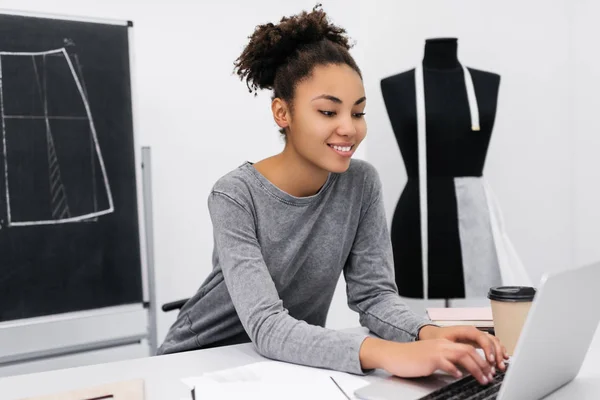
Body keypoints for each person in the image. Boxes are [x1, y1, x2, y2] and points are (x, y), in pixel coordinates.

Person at [157, 5, 507, 385]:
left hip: (288, 366)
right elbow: (266, 325)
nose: (349, 129)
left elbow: (374, 296)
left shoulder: (361, 183)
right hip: (198, 363)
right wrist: (391, 354)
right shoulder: (235, 195)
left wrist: (428, 334)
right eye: (328, 112)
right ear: (282, 113)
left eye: (358, 113)